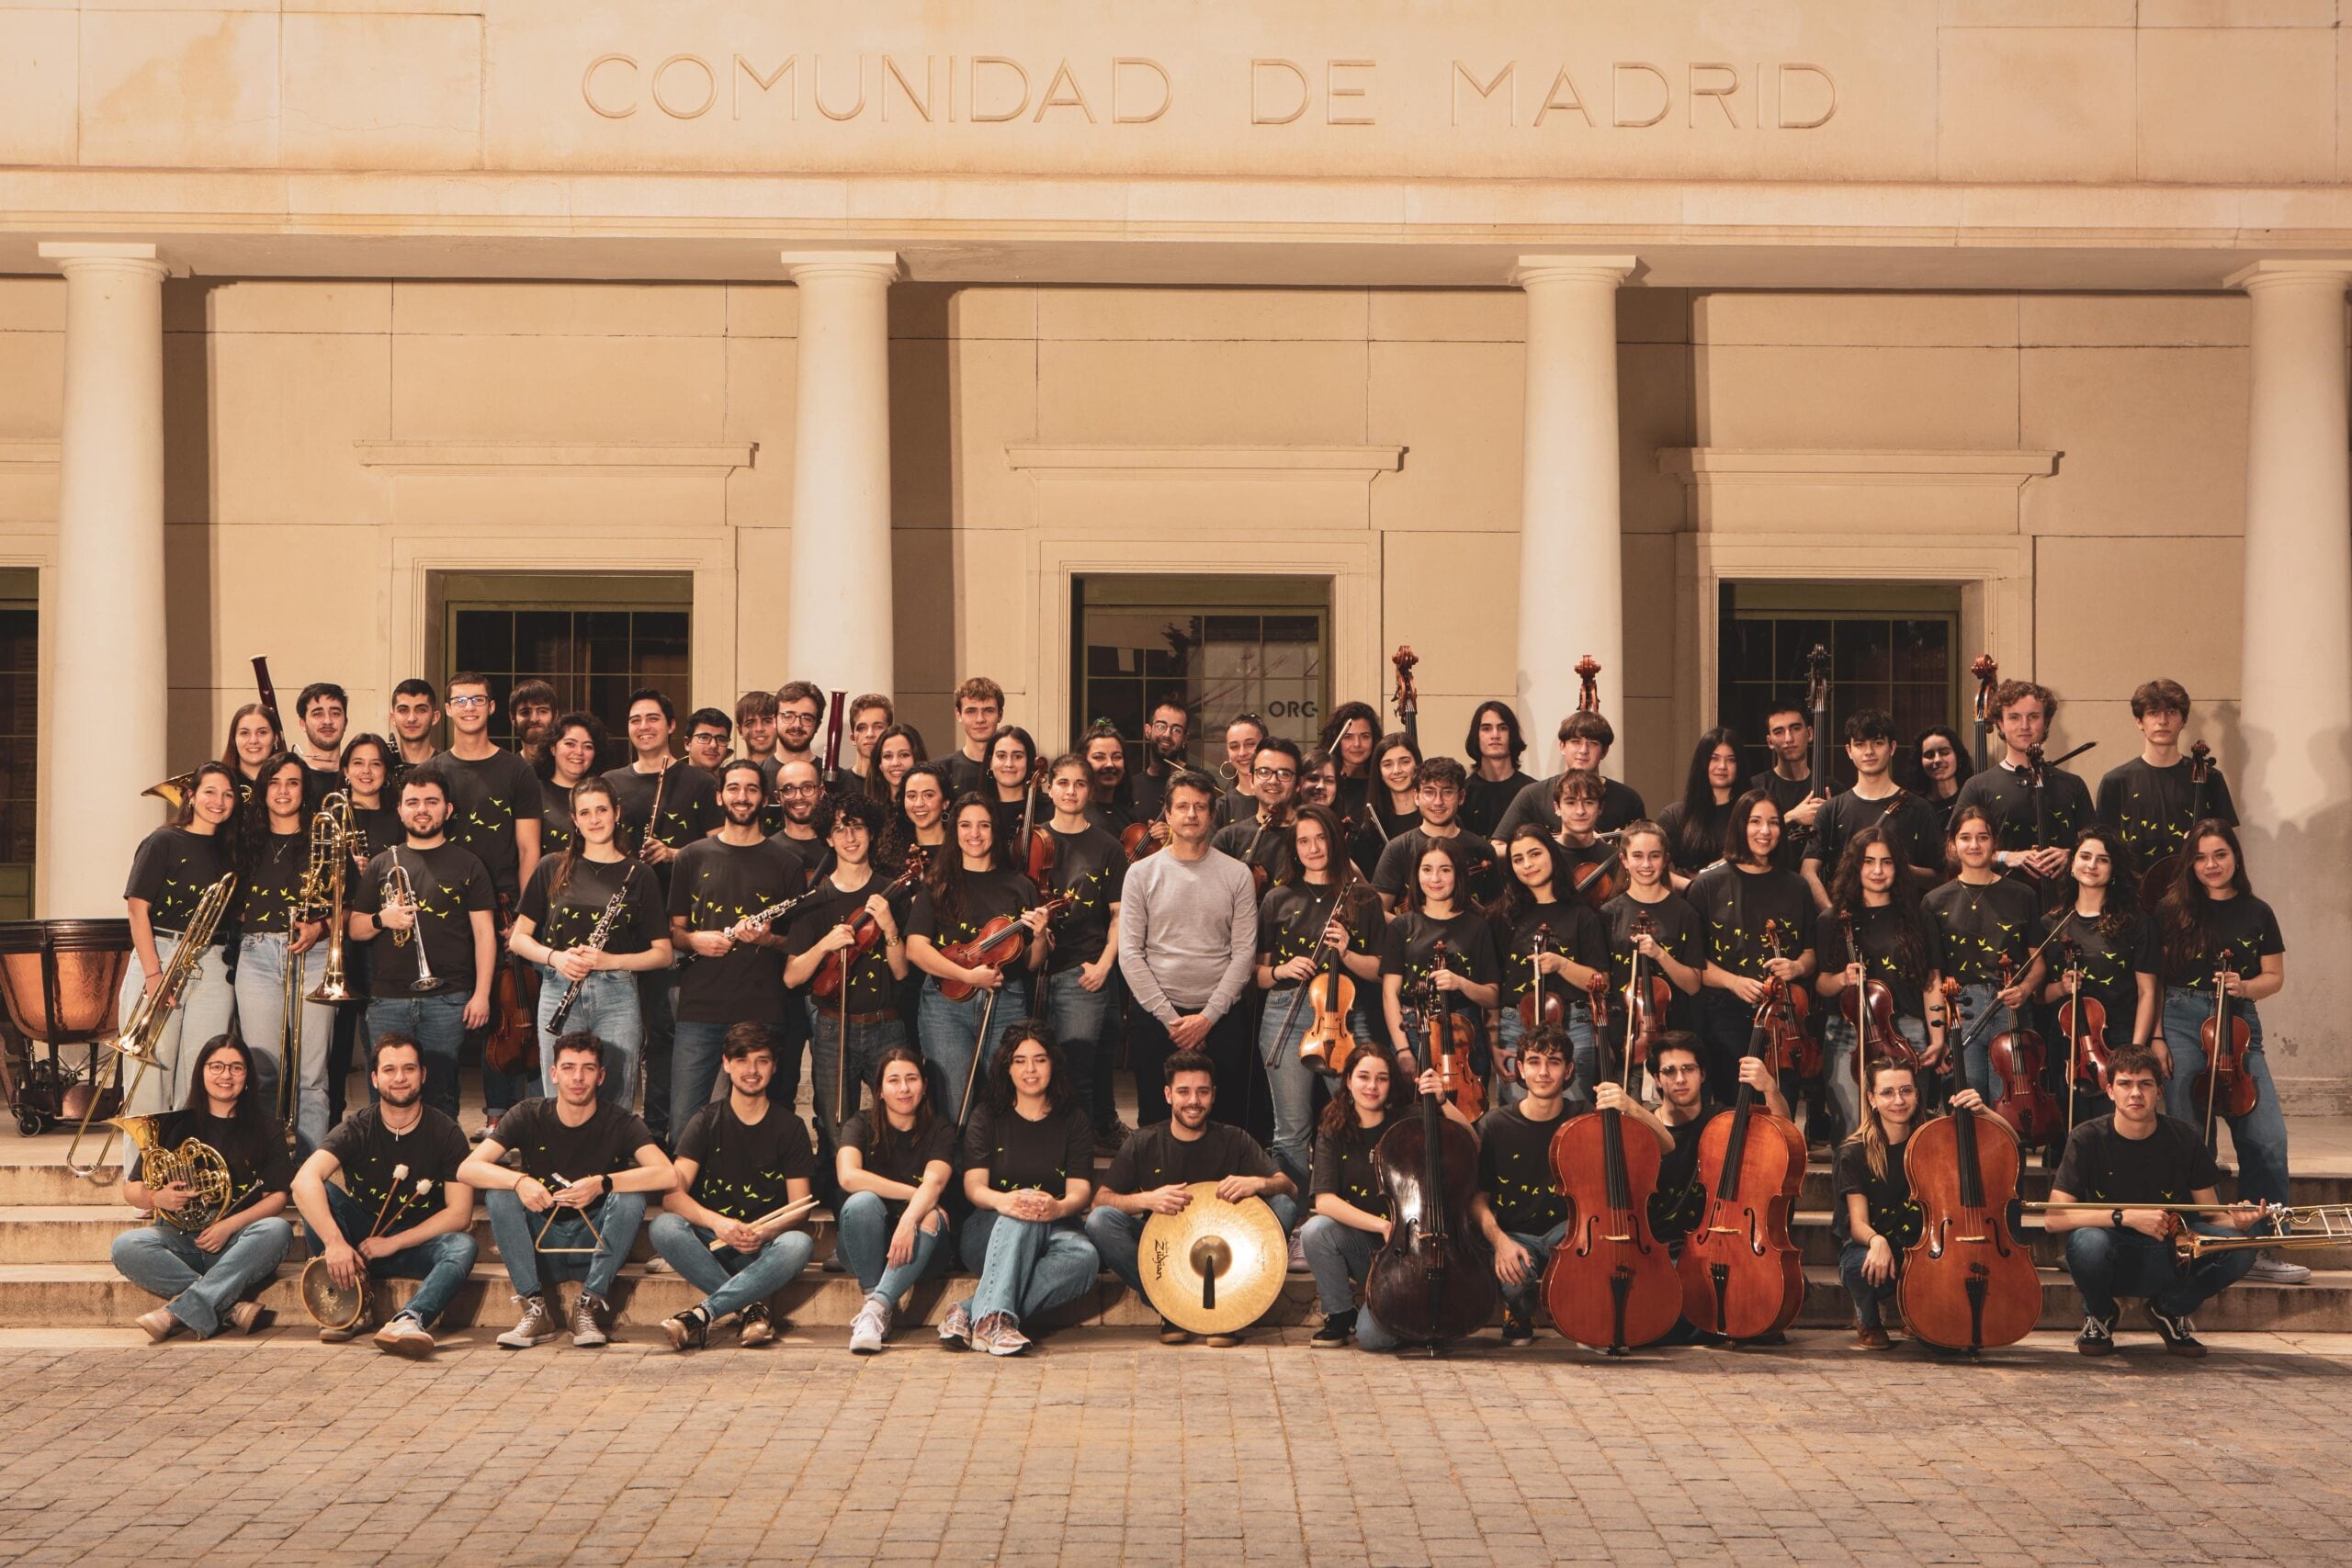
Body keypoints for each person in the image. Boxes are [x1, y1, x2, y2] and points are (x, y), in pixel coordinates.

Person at [2146, 819, 2300, 1283]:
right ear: (2190, 863)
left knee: (2267, 1137)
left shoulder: (2258, 911)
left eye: (2220, 855)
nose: (2211, 865)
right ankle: (2196, 1239)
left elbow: (2274, 977)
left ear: (2235, 857)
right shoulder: (2170, 911)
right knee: (2189, 1135)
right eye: (2201, 857)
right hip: (2177, 1017)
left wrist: (2245, 985)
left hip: (2236, 1022)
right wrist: (2156, 1038)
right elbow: (2152, 981)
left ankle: (2266, 1247)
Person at [2044, 1047, 2267, 1358]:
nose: (2135, 1093)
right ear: (2110, 1091)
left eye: (2145, 1084)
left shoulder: (2185, 1138)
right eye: (2125, 1084)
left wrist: (2239, 1221)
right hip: (2111, 1254)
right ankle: (2100, 1314)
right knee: (2086, 1243)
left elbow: (2212, 1217)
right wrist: (2127, 1217)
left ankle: (2170, 1310)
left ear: (2159, 1091)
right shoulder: (2087, 1138)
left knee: (2239, 1248)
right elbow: (2054, 1219)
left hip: (2170, 1255)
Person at [458, 1032, 676, 1349]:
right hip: (538, 1245)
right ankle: (535, 1309)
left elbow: (666, 1174)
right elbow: (467, 1169)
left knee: (630, 1196)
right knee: (499, 1192)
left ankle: (588, 1304)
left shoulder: (621, 1121)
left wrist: (604, 1182)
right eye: (569, 1067)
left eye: (588, 1068)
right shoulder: (528, 1113)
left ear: (601, 1076)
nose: (577, 1077)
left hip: (595, 1245)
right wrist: (519, 1181)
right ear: (553, 1073)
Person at [1086, 1048, 1297, 1347]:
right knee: (1100, 1222)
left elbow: (1290, 1188)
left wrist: (1258, 1183)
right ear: (1168, 1094)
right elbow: (1099, 1200)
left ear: (1214, 1095)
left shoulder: (1233, 1138)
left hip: (1231, 1252)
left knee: (1283, 1206)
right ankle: (1171, 1307)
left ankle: (1229, 1310)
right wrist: (1146, 1201)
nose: (1194, 1101)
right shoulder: (1144, 1142)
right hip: (1166, 1253)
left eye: (1202, 1092)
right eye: (1184, 1092)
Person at [288, 1032, 477, 1358]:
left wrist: (393, 1243)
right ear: (374, 1079)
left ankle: (408, 1319)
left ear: (423, 1075)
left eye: (409, 1069)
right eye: (389, 1070)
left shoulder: (445, 1132)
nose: (400, 1078)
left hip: (415, 1244)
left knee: (462, 1246)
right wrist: (336, 1243)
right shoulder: (358, 1126)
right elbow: (302, 1181)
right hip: (358, 1243)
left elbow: (459, 1214)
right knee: (320, 1193)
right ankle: (348, 1305)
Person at [111, 1034, 295, 1342]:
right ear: (202, 1072)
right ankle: (230, 1307)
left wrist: (229, 1225)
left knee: (277, 1231)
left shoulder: (266, 1127)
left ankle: (175, 1313)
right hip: (181, 1239)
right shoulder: (174, 1125)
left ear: (247, 1076)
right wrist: (159, 1197)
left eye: (236, 1068)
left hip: (236, 1243)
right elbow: (131, 1189)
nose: (226, 1076)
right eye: (217, 1067)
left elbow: (277, 1198)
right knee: (126, 1246)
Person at [650, 1024, 819, 1349]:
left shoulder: (789, 1127)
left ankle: (701, 1314)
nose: (751, 1070)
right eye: (741, 1060)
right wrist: (719, 1224)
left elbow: (799, 1210)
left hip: (764, 1248)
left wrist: (765, 1233)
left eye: (762, 1061)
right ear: (726, 1063)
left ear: (774, 1066)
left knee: (799, 1244)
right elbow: (672, 1195)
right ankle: (750, 1310)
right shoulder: (706, 1120)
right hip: (714, 1243)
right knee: (664, 1227)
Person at [509, 776, 673, 1104]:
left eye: (602, 810)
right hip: (558, 987)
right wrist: (557, 958)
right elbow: (519, 939)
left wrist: (610, 961)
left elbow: (663, 954)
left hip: (617, 994)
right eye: (585, 813)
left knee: (615, 1097)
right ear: (574, 819)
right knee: (560, 1094)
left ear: (617, 813)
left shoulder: (639, 873)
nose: (594, 819)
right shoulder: (552, 867)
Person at [346, 769, 498, 1122]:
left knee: (441, 1093)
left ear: (447, 809)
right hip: (388, 998)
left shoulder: (469, 864)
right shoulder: (383, 864)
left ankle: (440, 1171)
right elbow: (354, 928)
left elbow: (485, 934)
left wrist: (482, 994)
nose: (422, 810)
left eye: (431, 802)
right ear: (400, 810)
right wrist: (383, 919)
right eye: (412, 802)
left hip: (448, 998)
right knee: (384, 1094)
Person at [606, 688, 721, 1138]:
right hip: (622, 928)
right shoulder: (613, 781)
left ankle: (660, 1129)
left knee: (665, 1032)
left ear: (672, 727)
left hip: (673, 926)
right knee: (620, 1036)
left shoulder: (698, 781)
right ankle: (615, 1127)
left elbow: (719, 846)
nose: (644, 727)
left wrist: (675, 853)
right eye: (635, 720)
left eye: (653, 718)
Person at [434, 671, 545, 1138]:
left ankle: (501, 1117)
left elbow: (528, 850)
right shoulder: (436, 770)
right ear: (449, 710)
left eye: (478, 699)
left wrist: (524, 916)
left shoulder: (516, 770)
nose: (470, 707)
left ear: (492, 708)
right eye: (460, 700)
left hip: (503, 908)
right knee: (447, 1010)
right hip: (448, 909)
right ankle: (440, 1124)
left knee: (503, 1011)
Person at [947, 1023, 1102, 1356]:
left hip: (1055, 1227)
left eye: (1039, 1060)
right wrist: (1005, 1201)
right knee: (1023, 1206)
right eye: (1020, 1061)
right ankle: (993, 1321)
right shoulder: (987, 1115)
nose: (1030, 1070)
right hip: (988, 1231)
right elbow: (974, 1187)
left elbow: (1080, 1190)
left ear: (1053, 1064)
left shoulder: (1073, 1119)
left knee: (1086, 1258)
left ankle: (970, 1311)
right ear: (1007, 1067)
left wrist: (1058, 1208)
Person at [669, 758, 808, 1122]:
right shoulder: (690, 856)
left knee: (757, 1124)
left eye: (751, 789)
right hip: (699, 1010)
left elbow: (797, 942)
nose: (742, 797)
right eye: (733, 788)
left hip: (762, 1010)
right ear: (719, 796)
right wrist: (694, 940)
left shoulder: (786, 863)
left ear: (765, 800)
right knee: (684, 1122)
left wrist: (768, 939)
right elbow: (674, 931)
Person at [1119, 770, 1261, 1122]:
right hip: (1156, 1018)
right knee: (1155, 1118)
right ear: (1167, 814)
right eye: (1182, 806)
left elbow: (1244, 953)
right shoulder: (1140, 873)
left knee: (1223, 1121)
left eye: (1200, 807)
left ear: (1213, 815)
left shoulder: (1237, 874)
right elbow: (1131, 953)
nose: (1191, 814)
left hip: (1221, 1018)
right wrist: (1173, 1021)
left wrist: (1208, 1018)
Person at [1254, 805, 1384, 1183]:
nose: (1313, 848)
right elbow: (1256, 975)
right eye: (1304, 841)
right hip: (1284, 1012)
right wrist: (1280, 970)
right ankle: (1292, 1219)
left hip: (1344, 1015)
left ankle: (1351, 1199)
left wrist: (1345, 952)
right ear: (1294, 848)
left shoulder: (1361, 898)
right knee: (1291, 1129)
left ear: (1335, 840)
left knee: (1358, 1115)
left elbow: (1378, 970)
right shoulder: (1277, 898)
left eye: (1321, 838)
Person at [907, 795, 1049, 1125]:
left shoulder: (1019, 886)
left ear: (995, 832)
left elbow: (1030, 962)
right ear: (954, 831)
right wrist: (969, 976)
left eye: (983, 825)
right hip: (946, 1003)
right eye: (966, 825)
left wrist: (1040, 935)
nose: (975, 833)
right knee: (954, 1101)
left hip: (1006, 1000)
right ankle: (955, 1174)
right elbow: (915, 949)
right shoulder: (938, 884)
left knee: (1005, 1097)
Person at [783, 792, 911, 1153]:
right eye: (840, 830)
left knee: (899, 1123)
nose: (850, 838)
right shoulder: (815, 899)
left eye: (856, 828)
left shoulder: (892, 894)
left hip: (887, 1024)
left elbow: (901, 972)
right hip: (832, 1026)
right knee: (835, 1127)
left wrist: (889, 928)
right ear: (828, 837)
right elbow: (792, 977)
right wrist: (824, 945)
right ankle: (844, 1200)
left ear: (870, 833)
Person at [1835, 1062, 1988, 1349]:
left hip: (1927, 1246)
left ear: (1917, 1094)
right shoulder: (1853, 1152)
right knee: (1858, 1266)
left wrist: (1985, 1113)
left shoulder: (1937, 1135)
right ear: (1872, 1099)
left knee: (1945, 1344)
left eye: (1906, 1091)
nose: (1898, 1101)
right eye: (1887, 1092)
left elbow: (2006, 1144)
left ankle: (1915, 1313)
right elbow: (1857, 1224)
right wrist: (1876, 1240)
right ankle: (1868, 1319)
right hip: (1877, 1245)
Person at [1599, 1032, 1790, 1262]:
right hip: (1657, 1251)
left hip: (1718, 1247)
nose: (1680, 1078)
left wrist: (1770, 1089)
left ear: (1702, 1074)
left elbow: (1783, 1136)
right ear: (1657, 1079)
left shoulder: (1725, 1121)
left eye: (1688, 1069)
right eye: (1669, 1071)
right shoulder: (1642, 1132)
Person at [119, 762, 239, 1116]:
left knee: (203, 1075)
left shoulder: (232, 850)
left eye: (227, 794)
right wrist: (154, 975)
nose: (219, 801)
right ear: (191, 795)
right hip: (162, 954)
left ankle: (186, 1169)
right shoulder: (162, 841)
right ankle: (142, 1171)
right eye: (210, 792)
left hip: (214, 963)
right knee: (149, 1075)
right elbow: (137, 910)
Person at [1815, 829, 1950, 1142]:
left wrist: (1937, 1036)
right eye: (1869, 862)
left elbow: (1931, 981)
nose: (1877, 870)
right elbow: (1821, 984)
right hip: (1848, 1034)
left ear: (1898, 867)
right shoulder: (1831, 920)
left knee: (1905, 1133)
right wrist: (1842, 979)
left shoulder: (1918, 916)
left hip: (1906, 1032)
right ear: (1855, 866)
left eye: (1887, 862)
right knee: (1849, 1130)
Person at [1687, 791, 1817, 1105]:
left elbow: (1812, 953)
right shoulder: (1707, 885)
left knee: (1779, 1108)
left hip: (1783, 1021)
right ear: (1739, 827)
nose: (1765, 830)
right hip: (1724, 1014)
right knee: (1733, 1108)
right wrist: (1733, 981)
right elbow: (1694, 964)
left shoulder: (1796, 886)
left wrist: (1797, 966)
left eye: (1774, 822)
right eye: (1755, 821)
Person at [230, 752, 333, 1146]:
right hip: (256, 955)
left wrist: (320, 927)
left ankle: (310, 1170)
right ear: (263, 789)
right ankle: (268, 1164)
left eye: (292, 782)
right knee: (262, 1069)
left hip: (314, 954)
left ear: (304, 790)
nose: (283, 791)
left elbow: (350, 905)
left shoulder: (323, 838)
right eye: (274, 783)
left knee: (311, 1073)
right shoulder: (244, 839)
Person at [1033, 753, 1129, 1153]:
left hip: (1082, 970)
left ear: (1089, 791)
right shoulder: (1030, 839)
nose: (1071, 791)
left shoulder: (1106, 845)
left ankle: (1078, 1162)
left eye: (1079, 784)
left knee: (1078, 1072)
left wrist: (1105, 964)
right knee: (1034, 1069)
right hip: (1033, 968)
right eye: (1063, 783)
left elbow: (1120, 915)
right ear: (1048, 787)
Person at [836, 1046, 958, 1353]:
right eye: (893, 1080)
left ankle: (875, 1310)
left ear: (924, 1086)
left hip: (923, 1251)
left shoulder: (940, 1130)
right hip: (867, 1250)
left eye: (912, 1078)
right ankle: (874, 1297)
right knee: (861, 1202)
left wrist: (908, 1220)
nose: (903, 1088)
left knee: (930, 1216)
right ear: (879, 1091)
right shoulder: (859, 1125)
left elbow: (936, 1182)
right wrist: (913, 1196)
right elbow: (848, 1176)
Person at [1922, 805, 2042, 1106]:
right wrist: (1938, 1038)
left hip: (2011, 1009)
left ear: (1994, 842)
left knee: (2011, 1106)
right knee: (1966, 1107)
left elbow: (2038, 961)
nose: (1974, 845)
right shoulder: (1934, 901)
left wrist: (2026, 988)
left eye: (1982, 837)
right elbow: (1934, 977)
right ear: (1953, 844)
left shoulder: (2022, 894)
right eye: (1965, 838)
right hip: (1961, 1011)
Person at [2036, 828, 2158, 1123]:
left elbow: (2148, 992)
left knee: (2117, 1127)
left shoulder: (2135, 922)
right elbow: (2040, 996)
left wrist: (2135, 1051)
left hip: (2119, 1036)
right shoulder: (2051, 923)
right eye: (2085, 857)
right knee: (2073, 1127)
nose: (2092, 865)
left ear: (2114, 868)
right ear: (2072, 864)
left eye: (2102, 860)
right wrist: (2062, 988)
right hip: (2067, 1042)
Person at [1473, 1025, 1577, 1346]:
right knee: (1515, 1277)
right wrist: (1501, 1242)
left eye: (1554, 1062)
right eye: (1534, 1061)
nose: (1543, 1072)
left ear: (1569, 1070)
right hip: (1516, 1236)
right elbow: (1478, 1199)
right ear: (1520, 1068)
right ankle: (1519, 1307)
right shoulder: (1494, 1124)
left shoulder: (1585, 1118)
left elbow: (1664, 1145)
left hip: (1569, 1231)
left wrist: (1630, 1107)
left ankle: (1583, 1317)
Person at [1490, 826, 1607, 1110]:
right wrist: (1492, 1041)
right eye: (1518, 859)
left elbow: (1601, 981)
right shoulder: (1503, 916)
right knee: (1520, 1115)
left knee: (1574, 1112)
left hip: (1573, 1024)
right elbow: (1494, 984)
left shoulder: (1582, 915)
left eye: (1535, 854)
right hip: (1515, 1023)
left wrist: (1561, 964)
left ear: (1552, 855)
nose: (1527, 865)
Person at [1300, 1044, 1408, 1349]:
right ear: (1348, 1081)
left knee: (1375, 1340)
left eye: (1382, 1079)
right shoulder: (1333, 1129)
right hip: (1365, 1248)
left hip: (1407, 1253)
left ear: (1391, 1083)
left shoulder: (1406, 1122)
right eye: (1363, 1077)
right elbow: (1324, 1201)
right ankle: (1340, 1314)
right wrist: (1384, 1226)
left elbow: (1468, 1140)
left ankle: (1384, 1308)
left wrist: (1440, 1100)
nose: (1372, 1087)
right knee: (1315, 1230)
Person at [2097, 678, 2239, 886]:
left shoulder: (2211, 778)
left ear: (2184, 720)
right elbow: (2104, 847)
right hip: (2133, 894)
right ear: (2139, 721)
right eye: (2153, 712)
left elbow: (2225, 844)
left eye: (2171, 712)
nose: (2163, 721)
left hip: (2196, 891)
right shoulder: (2116, 781)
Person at [1379, 837, 1500, 1079]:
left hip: (1464, 1032)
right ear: (1416, 875)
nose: (1435, 879)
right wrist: (1403, 1050)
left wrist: (1461, 983)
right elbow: (1389, 994)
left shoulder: (1478, 927)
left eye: (1445, 870)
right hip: (1412, 1030)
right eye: (1427, 870)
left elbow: (1492, 996)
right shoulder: (1402, 925)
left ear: (1457, 874)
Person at [1951, 679, 2095, 883]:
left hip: (2065, 899)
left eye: (2033, 717)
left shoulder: (2073, 785)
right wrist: (2004, 856)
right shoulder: (1978, 786)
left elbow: (2097, 845)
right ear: (2000, 723)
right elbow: (1953, 851)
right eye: (2014, 717)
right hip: (2001, 900)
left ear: (2045, 722)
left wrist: (2071, 855)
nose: (2024, 726)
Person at [327, 735, 401, 1126]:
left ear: (386, 772)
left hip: (383, 939)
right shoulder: (331, 816)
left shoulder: (398, 817)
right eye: (357, 763)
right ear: (345, 769)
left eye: (375, 764)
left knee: (381, 1037)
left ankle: (383, 1118)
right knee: (336, 1041)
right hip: (339, 936)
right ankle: (332, 1120)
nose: (366, 771)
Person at [1803, 708, 1946, 906]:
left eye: (1877, 743)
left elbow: (1939, 877)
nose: (1869, 752)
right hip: (1846, 921)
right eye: (1860, 744)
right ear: (1849, 751)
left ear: (1892, 747)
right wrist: (1832, 915)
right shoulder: (1831, 809)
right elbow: (1808, 871)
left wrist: (1900, 867)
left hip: (1903, 924)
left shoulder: (1919, 809)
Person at [1596, 821, 1707, 1063]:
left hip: (1674, 1030)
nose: (1646, 864)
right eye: (1637, 856)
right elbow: (1602, 983)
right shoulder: (1608, 913)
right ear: (1624, 860)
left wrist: (1660, 954)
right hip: (1622, 1031)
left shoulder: (1685, 914)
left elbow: (1693, 986)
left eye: (1654, 856)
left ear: (1666, 859)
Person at [1492, 708, 1646, 845]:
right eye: (1575, 741)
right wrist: (1538, 849)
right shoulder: (1532, 795)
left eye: (1593, 743)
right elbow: (1496, 848)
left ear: (1604, 752)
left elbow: (1645, 849)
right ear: (1562, 746)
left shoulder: (1628, 798)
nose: (1583, 750)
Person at [1373, 757, 1500, 912]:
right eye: (1429, 792)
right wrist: (1417, 930)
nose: (1438, 801)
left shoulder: (1482, 850)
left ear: (1461, 797)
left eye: (1447, 792)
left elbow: (1495, 914)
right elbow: (1378, 914)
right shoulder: (1397, 848)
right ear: (1416, 796)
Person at [1210, 735, 1303, 889]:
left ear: (1299, 784)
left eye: (1284, 774)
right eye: (1264, 772)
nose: (1273, 781)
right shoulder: (1228, 838)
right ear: (1252, 780)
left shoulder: (1311, 837)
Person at [1656, 728, 1741, 891]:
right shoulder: (1674, 815)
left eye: (1731, 760)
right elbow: (1656, 866)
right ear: (1702, 762)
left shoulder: (1751, 815)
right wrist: (1694, 888)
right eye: (1714, 758)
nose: (1722, 766)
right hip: (1689, 904)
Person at [1748, 697, 1826, 869]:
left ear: (1810, 733)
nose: (1788, 738)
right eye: (1779, 732)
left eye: (1796, 728)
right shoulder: (1755, 788)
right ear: (1770, 742)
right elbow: (1742, 843)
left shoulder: (1831, 788)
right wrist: (1792, 817)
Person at [533, 710, 608, 860]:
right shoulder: (533, 792)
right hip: (547, 881)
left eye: (587, 746)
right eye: (570, 744)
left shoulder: (602, 795)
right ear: (553, 748)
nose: (579, 752)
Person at [1460, 700, 1533, 840]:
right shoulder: (1463, 794)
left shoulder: (1531, 791)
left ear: (1512, 734)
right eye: (1486, 728)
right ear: (1476, 736)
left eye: (1503, 728)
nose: (1495, 735)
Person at [984, 725, 1046, 863]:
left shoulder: (1050, 809)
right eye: (1001, 756)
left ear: (1029, 761)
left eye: (1017, 756)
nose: (1009, 764)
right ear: (990, 762)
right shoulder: (979, 810)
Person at [1129, 694, 1191, 828]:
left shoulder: (1199, 781)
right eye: (1161, 726)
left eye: (1176, 730)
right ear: (1147, 731)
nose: (1167, 734)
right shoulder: (1131, 787)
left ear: (1185, 739)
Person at [1317, 700, 1382, 823]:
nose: (1357, 744)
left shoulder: (1380, 784)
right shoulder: (1325, 784)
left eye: (1365, 736)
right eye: (1348, 737)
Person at [944, 675, 1004, 797]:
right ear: (958, 714)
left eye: (988, 711)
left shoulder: (1013, 769)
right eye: (971, 711)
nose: (980, 719)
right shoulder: (942, 769)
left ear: (1000, 714)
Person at [1908, 724, 1973, 830]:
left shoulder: (1971, 799)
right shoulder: (1914, 808)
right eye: (1929, 755)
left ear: (1958, 757)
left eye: (1944, 753)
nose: (1937, 760)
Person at [1366, 731, 1424, 841]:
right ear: (1379, 772)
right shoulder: (1371, 827)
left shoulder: (1436, 815)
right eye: (1388, 764)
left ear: (1417, 765)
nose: (1397, 770)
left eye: (1405, 762)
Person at [220, 701, 284, 799]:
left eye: (262, 732)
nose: (253, 740)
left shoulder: (291, 785)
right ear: (234, 738)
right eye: (245, 733)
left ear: (275, 738)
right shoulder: (220, 783)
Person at [1213, 713, 1267, 828]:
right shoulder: (1221, 808)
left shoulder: (1283, 799)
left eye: (1250, 744)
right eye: (1234, 746)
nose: (1242, 753)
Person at [291, 682, 348, 786]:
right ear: (303, 724)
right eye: (317, 714)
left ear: (345, 723)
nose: (327, 721)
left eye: (335, 713)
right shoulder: (291, 776)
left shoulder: (359, 777)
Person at [387, 678, 440, 777]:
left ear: (435, 717)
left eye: (421, 710)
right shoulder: (380, 769)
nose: (411, 719)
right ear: (393, 718)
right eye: (403, 710)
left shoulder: (448, 768)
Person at [844, 694, 895, 797]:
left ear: (890, 734)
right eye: (862, 728)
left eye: (878, 727)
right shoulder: (839, 784)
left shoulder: (898, 784)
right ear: (853, 738)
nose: (870, 734)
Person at [507, 679, 558, 767]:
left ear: (555, 716)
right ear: (512, 719)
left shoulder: (566, 769)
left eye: (542, 711)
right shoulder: (508, 772)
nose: (534, 719)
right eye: (525, 712)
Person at [735, 689, 780, 773]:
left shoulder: (792, 774)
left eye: (767, 721)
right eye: (750, 723)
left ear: (778, 726)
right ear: (740, 731)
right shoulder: (731, 775)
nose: (759, 729)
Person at [684, 707, 733, 775]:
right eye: (704, 737)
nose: (713, 745)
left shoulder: (734, 782)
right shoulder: (669, 783)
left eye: (721, 739)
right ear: (688, 744)